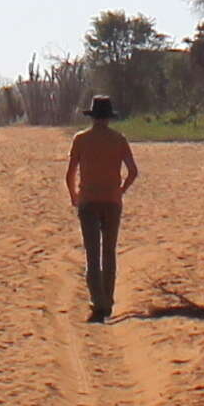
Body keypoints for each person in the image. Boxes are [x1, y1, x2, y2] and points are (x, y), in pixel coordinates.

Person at [64, 94, 138, 323]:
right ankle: (108, 300)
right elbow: (133, 171)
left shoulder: (81, 139)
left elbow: (70, 174)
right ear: (109, 117)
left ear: (93, 116)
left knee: (92, 254)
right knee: (109, 252)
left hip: (88, 200)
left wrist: (74, 195)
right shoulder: (119, 139)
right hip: (112, 201)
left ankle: (98, 302)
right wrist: (121, 189)